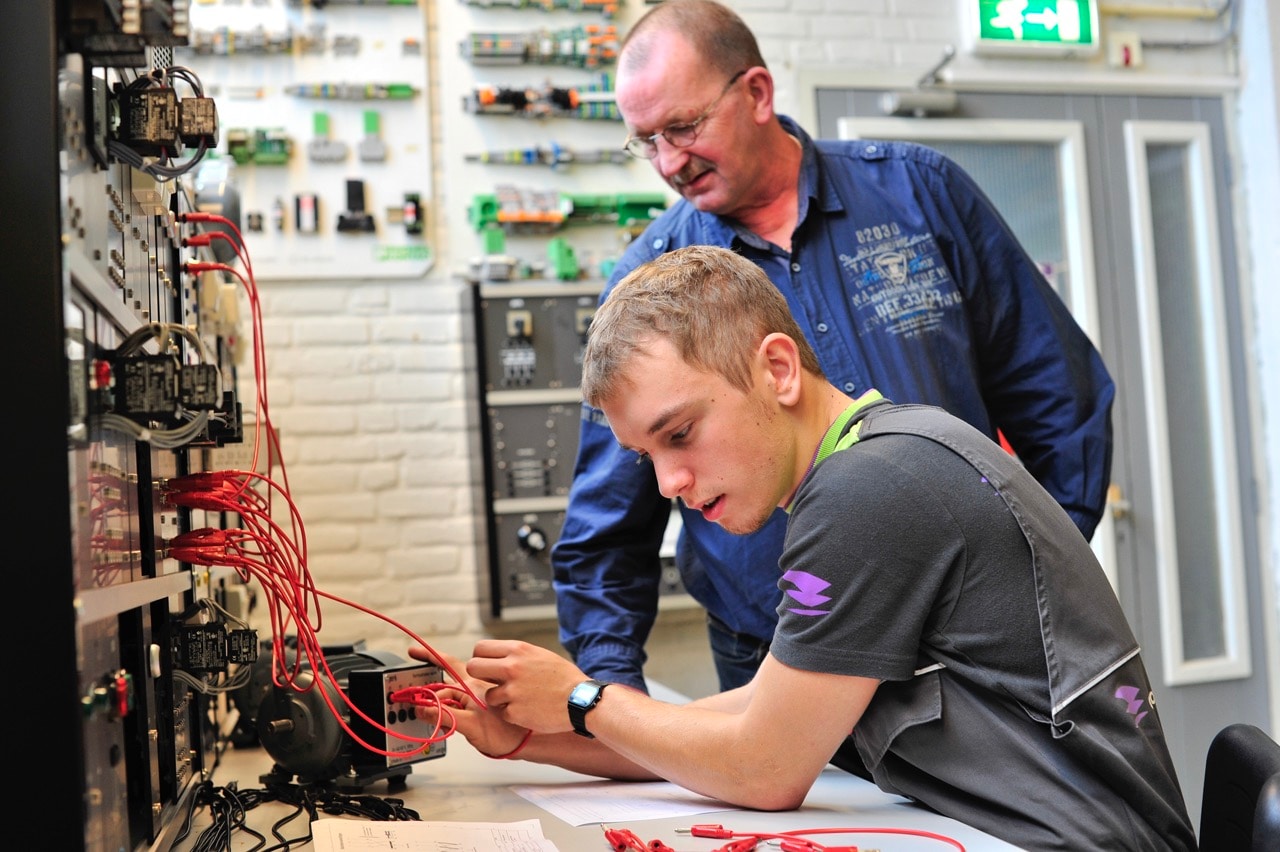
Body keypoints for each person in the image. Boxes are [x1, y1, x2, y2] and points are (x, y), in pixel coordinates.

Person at [411, 246, 1194, 852]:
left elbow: (764, 768)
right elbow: (748, 718)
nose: (670, 483)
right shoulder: (885, 452)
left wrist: (585, 700)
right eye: (647, 456)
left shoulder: (867, 490)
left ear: (778, 369)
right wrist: (540, 738)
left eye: (680, 434)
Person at [550, 0, 1116, 697]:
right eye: (646, 142)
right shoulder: (650, 280)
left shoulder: (919, 195)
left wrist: (1033, 577)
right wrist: (612, 701)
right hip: (773, 654)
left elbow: (1059, 399)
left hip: (968, 644)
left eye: (683, 128)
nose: (669, 162)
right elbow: (608, 523)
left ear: (757, 93)